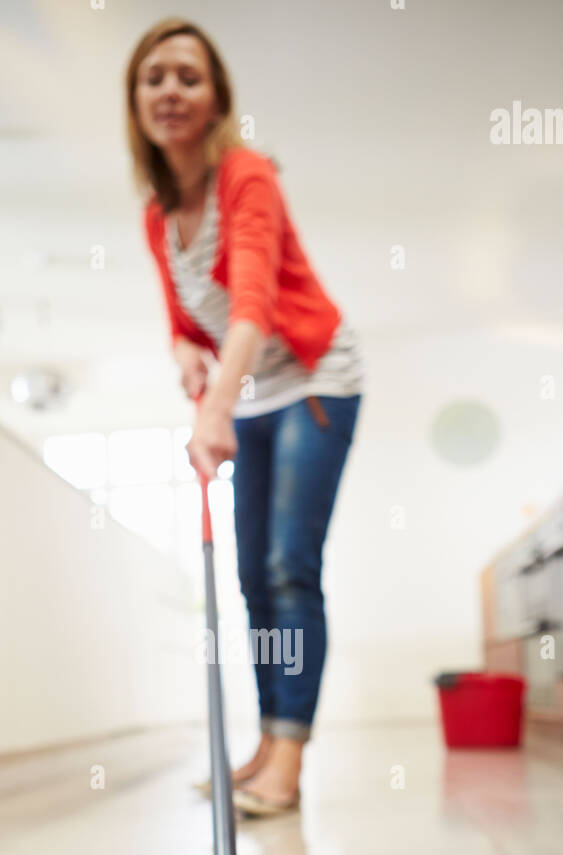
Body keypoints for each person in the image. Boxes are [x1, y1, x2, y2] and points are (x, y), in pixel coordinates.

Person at [127, 18, 364, 815]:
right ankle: (264, 748)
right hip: (249, 389)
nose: (170, 90)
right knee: (250, 581)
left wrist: (213, 407)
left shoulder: (246, 175)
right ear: (136, 98)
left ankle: (288, 761)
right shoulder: (157, 214)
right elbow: (182, 316)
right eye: (154, 76)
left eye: (188, 77)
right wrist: (182, 354)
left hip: (315, 377)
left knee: (288, 569)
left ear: (216, 97)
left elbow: (254, 301)